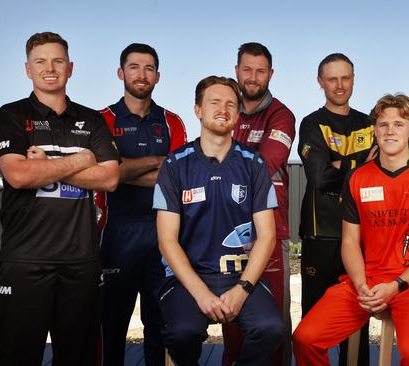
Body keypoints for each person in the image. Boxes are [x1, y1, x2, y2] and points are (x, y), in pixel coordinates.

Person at [293, 93, 409, 365]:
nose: (390, 131)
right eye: (383, 125)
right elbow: (349, 241)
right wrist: (360, 284)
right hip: (366, 281)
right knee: (305, 338)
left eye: (398, 124)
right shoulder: (357, 178)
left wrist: (396, 284)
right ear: (374, 130)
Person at [0, 31, 120, 365]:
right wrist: (79, 160)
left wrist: (46, 166)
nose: (50, 68)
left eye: (58, 60)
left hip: (81, 262)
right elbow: (18, 175)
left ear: (70, 67)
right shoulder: (11, 116)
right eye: (40, 61)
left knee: (77, 358)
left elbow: (109, 177)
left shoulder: (91, 119)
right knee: (16, 358)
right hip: (25, 260)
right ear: (28, 69)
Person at [153, 76, 286, 365]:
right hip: (187, 278)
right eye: (214, 102)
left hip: (239, 276)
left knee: (271, 329)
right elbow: (166, 240)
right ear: (198, 109)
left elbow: (267, 236)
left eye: (230, 104)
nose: (223, 109)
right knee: (183, 332)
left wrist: (242, 290)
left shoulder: (254, 164)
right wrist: (200, 293)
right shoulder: (176, 164)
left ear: (238, 115)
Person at [96, 43, 187, 365]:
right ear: (121, 73)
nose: (141, 74)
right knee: (111, 324)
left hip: (163, 233)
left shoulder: (172, 121)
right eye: (134, 67)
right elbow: (102, 174)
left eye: (149, 68)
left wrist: (121, 170)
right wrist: (150, 162)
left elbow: (175, 178)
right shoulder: (101, 120)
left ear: (158, 76)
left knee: (160, 323)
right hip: (116, 232)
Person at [297, 53, 375, 365]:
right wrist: (360, 164)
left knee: (358, 319)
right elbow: (318, 177)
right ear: (321, 82)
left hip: (361, 234)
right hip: (321, 233)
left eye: (346, 78)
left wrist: (339, 164)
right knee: (313, 323)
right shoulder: (311, 123)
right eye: (332, 79)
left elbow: (380, 169)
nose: (340, 85)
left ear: (354, 79)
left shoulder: (369, 123)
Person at [222, 42, 296, 366]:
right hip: (226, 233)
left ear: (271, 74)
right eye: (247, 70)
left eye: (260, 71)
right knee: (233, 323)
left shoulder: (281, 115)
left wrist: (220, 166)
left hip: (270, 233)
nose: (253, 77)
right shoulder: (224, 108)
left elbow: (264, 166)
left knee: (273, 325)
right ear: (236, 71)